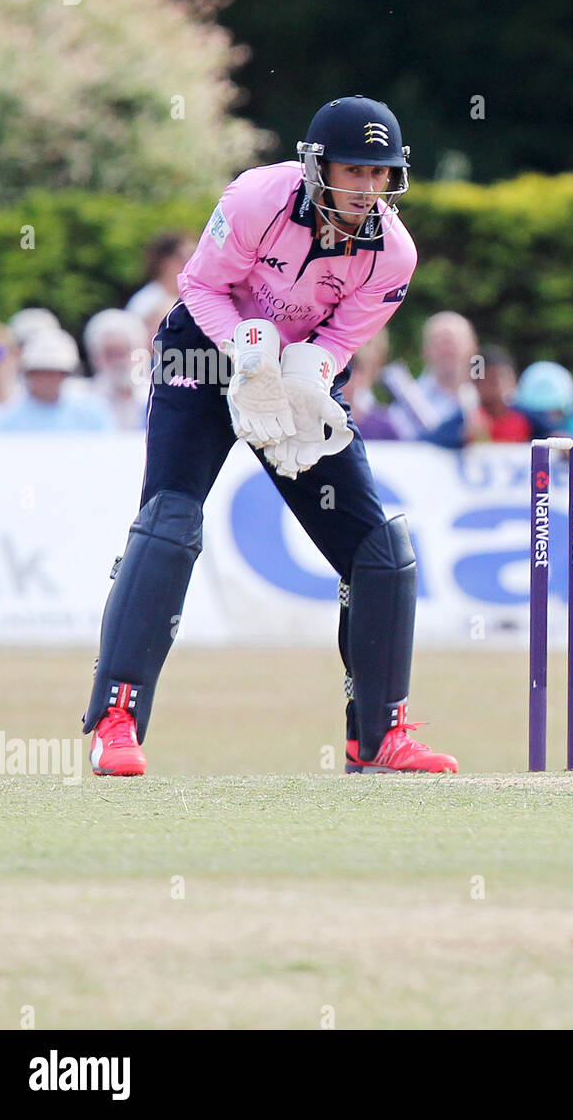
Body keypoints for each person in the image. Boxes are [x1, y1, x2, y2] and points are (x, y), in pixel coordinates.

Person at [81, 95, 457, 777]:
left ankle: (378, 736)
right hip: (201, 354)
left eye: (380, 175)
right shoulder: (259, 197)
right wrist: (245, 356)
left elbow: (342, 335)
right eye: (354, 171)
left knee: (380, 549)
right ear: (317, 166)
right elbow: (199, 286)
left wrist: (312, 375)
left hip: (294, 377)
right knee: (170, 523)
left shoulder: (392, 253)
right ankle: (116, 719)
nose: (367, 189)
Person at [0, 328, 111, 433]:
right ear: (28, 373)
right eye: (40, 372)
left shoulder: (92, 413)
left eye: (56, 372)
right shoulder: (7, 421)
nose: (48, 379)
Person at [82, 309, 152, 430]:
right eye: (110, 354)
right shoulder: (82, 401)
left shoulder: (153, 399)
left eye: (122, 353)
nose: (118, 362)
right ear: (95, 358)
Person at [417, 311, 477, 425]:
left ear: (473, 347)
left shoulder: (491, 398)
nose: (447, 350)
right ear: (424, 350)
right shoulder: (408, 403)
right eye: (439, 342)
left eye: (454, 341)